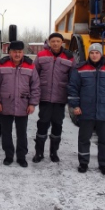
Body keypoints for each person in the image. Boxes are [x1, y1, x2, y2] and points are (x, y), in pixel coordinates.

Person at [67, 43, 105, 175]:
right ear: (88, 54)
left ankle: (103, 164)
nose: (94, 55)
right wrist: (75, 106)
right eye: (92, 53)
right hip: (86, 111)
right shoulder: (80, 69)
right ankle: (83, 163)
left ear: (101, 54)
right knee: (84, 139)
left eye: (97, 53)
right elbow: (73, 88)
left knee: (104, 140)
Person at [0, 40, 40, 167]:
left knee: (21, 132)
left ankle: (21, 156)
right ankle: (8, 155)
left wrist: (32, 104)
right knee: (6, 132)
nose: (17, 54)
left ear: (23, 52)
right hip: (5, 104)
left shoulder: (30, 65)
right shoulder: (2, 65)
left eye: (20, 52)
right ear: (10, 52)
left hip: (23, 105)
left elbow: (35, 86)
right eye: (14, 52)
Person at [33, 32, 75, 163]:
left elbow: (73, 78)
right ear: (49, 42)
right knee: (42, 124)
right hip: (45, 97)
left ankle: (53, 152)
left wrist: (72, 97)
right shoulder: (41, 55)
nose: (55, 43)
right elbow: (34, 76)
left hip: (60, 98)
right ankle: (39, 153)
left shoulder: (69, 57)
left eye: (58, 41)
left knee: (57, 125)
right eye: (53, 41)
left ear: (62, 43)